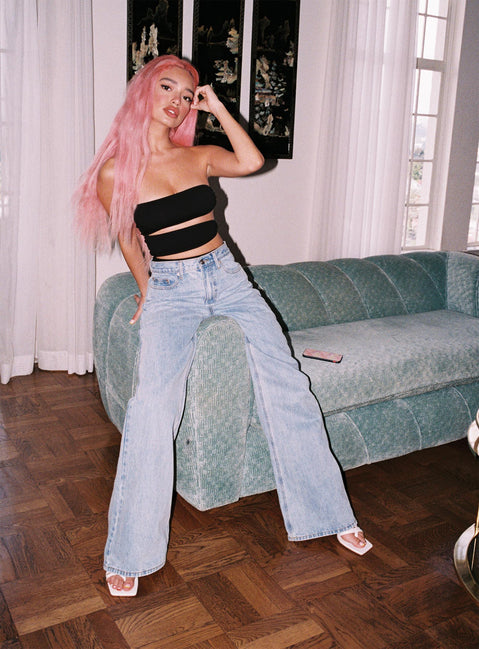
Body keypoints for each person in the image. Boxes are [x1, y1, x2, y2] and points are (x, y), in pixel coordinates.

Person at [75, 55, 371, 597]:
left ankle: (329, 514)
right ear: (144, 91)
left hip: (227, 277)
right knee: (152, 407)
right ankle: (129, 551)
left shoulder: (199, 155)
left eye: (188, 95)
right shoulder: (117, 173)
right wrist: (147, 289)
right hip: (172, 289)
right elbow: (127, 239)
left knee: (289, 386)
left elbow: (253, 160)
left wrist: (217, 107)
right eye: (168, 88)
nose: (178, 101)